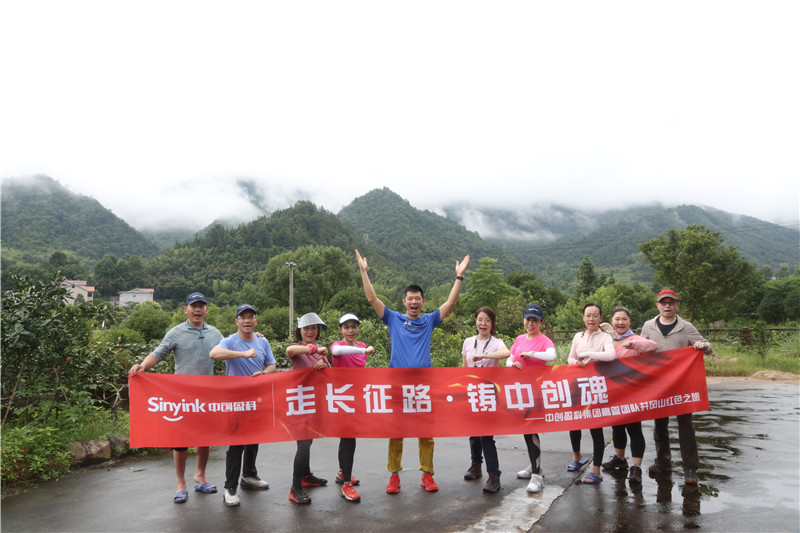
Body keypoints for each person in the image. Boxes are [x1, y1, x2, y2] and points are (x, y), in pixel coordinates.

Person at [356, 249, 470, 494]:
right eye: (410, 298)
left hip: (423, 385)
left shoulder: (429, 320)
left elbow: (450, 303)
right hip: (397, 385)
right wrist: (364, 272)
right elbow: (373, 300)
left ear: (423, 301)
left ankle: (427, 474)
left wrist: (458, 277)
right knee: (396, 433)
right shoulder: (394, 319)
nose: (414, 302)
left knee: (425, 433)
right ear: (404, 301)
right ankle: (394, 476)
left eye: (418, 298)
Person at [128, 292, 223, 504]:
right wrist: (142, 366)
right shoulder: (176, 332)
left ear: (206, 310)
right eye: (193, 306)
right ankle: (181, 483)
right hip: (181, 396)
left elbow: (232, 349)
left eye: (201, 306)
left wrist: (255, 336)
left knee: (204, 438)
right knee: (180, 442)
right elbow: (159, 353)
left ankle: (201, 476)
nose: (197, 310)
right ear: (186, 310)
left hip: (206, 395)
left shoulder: (215, 333)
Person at [479, 303, 556, 493]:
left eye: (535, 320)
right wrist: (514, 363)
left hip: (536, 391)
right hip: (519, 391)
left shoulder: (544, 340)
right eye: (528, 319)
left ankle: (537, 475)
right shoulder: (520, 338)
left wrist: (531, 354)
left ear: (541, 322)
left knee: (532, 430)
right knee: (526, 430)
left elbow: (552, 355)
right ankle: (534, 466)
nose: (530, 323)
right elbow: (509, 358)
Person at [640, 289, 713, 485]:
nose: (667, 306)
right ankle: (663, 461)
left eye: (671, 303)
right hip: (659, 385)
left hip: (683, 385)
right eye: (663, 303)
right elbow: (641, 349)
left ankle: (690, 468)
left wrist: (702, 346)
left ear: (676, 305)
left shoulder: (686, 327)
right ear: (657, 305)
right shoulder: (648, 327)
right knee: (660, 425)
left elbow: (708, 346)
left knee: (685, 426)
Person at [209, 304, 276, 507]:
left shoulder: (263, 341)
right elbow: (214, 354)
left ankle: (249, 476)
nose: (247, 320)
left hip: (256, 399)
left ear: (256, 321)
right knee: (237, 444)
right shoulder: (230, 340)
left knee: (254, 439)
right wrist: (243, 354)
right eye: (243, 317)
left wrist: (263, 374)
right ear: (237, 321)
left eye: (251, 317)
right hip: (236, 400)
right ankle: (229, 488)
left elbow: (271, 364)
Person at [595, 307, 658, 485]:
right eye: (617, 319)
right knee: (617, 428)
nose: (620, 322)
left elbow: (652, 346)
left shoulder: (635, 339)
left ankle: (636, 467)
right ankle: (620, 459)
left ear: (629, 321)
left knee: (634, 429)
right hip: (611, 393)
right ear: (611, 321)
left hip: (631, 393)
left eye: (624, 319)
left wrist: (634, 345)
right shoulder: (606, 340)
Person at [459, 306, 508, 493]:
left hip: (488, 393)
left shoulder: (496, 342)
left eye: (487, 320)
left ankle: (494, 475)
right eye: (480, 319)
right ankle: (475, 465)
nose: (483, 323)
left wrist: (485, 355)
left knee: (486, 435)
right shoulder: (468, 342)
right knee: (473, 433)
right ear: (476, 321)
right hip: (471, 392)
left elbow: (506, 353)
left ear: (492, 323)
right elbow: (464, 367)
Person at [329, 313, 375, 502]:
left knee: (347, 437)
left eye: (353, 326)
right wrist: (364, 352)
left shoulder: (362, 345)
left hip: (357, 397)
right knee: (348, 439)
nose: (350, 330)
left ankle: (342, 473)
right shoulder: (337, 346)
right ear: (340, 330)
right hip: (342, 398)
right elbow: (339, 353)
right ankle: (346, 484)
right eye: (346, 327)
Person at [286, 312, 330, 504]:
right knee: (303, 443)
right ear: (300, 331)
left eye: (314, 328)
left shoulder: (322, 352)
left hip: (315, 402)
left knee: (308, 441)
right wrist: (314, 350)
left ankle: (306, 475)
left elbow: (330, 375)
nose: (311, 331)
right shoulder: (298, 348)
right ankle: (295, 487)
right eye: (307, 329)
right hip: (300, 403)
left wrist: (324, 365)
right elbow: (290, 351)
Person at [568, 302, 615, 485]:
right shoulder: (577, 337)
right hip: (578, 385)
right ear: (583, 318)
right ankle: (577, 457)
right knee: (574, 424)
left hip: (596, 386)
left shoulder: (605, 337)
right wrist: (576, 363)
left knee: (595, 427)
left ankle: (596, 469)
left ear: (600, 319)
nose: (591, 319)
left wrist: (589, 354)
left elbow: (611, 355)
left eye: (595, 315)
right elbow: (571, 357)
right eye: (588, 315)